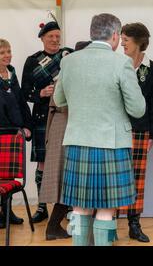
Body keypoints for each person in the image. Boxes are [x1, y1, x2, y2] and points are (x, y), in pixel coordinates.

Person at [54, 13, 146, 246]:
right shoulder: (122, 62)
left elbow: (59, 99)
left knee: (79, 208)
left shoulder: (69, 61)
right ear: (115, 35)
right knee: (106, 209)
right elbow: (137, 109)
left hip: (78, 141)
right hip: (111, 144)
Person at [21, 20, 72, 223]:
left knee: (68, 161)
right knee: (42, 162)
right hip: (43, 116)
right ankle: (42, 207)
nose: (55, 40)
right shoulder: (32, 61)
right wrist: (40, 93)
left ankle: (67, 206)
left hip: (65, 115)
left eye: (58, 37)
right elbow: (24, 92)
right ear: (42, 38)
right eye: (51, 36)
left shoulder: (68, 56)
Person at [39, 41, 90, 240]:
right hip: (68, 124)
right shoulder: (76, 75)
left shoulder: (66, 72)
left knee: (66, 180)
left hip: (62, 124)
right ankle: (58, 228)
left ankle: (56, 227)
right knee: (69, 180)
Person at [118, 22, 153, 242]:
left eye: (125, 39)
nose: (122, 43)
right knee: (114, 177)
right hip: (116, 130)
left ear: (138, 42)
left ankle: (134, 224)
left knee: (136, 179)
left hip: (140, 130)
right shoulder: (116, 64)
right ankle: (108, 223)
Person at [0, 38, 32, 229]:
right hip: (1, 131)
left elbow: (20, 102)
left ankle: (8, 211)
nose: (7, 55)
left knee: (10, 174)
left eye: (9, 51)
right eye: (2, 52)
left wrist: (26, 125)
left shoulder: (11, 74)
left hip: (13, 133)